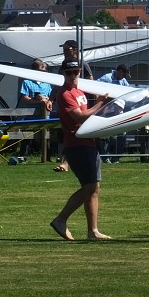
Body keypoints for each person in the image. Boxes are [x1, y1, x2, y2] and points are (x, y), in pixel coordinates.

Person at [49, 58, 112, 242]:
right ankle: (61, 219)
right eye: (69, 73)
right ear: (63, 73)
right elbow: (81, 117)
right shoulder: (65, 94)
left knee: (94, 188)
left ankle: (93, 231)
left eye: (76, 72)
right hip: (77, 145)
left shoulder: (78, 91)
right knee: (90, 186)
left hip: (88, 143)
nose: (73, 76)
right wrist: (101, 103)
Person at [51, 39, 94, 172]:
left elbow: (91, 82)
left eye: (67, 49)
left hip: (80, 101)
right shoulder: (63, 66)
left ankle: (68, 162)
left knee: (78, 133)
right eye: (63, 49)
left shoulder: (82, 64)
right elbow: (59, 83)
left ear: (75, 50)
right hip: (69, 101)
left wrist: (97, 101)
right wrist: (50, 99)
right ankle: (67, 161)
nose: (64, 52)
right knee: (68, 132)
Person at [17, 59, 53, 160]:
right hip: (31, 114)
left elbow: (51, 97)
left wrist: (48, 102)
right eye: (41, 70)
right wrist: (37, 100)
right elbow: (25, 97)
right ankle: (23, 155)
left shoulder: (47, 84)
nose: (43, 73)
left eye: (44, 71)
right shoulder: (27, 82)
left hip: (45, 113)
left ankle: (47, 156)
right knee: (28, 134)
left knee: (46, 134)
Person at [97, 64, 129, 162]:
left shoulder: (123, 81)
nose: (124, 77)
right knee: (105, 134)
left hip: (118, 112)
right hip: (106, 110)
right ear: (119, 71)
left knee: (120, 134)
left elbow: (128, 93)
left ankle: (116, 157)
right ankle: (105, 157)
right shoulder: (106, 78)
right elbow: (95, 86)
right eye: (124, 74)